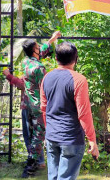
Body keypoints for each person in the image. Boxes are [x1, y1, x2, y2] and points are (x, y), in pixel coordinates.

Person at [3, 31, 61, 178]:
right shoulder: (39, 68)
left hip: (27, 104)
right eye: (37, 46)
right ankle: (30, 166)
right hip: (38, 106)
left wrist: (53, 39)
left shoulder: (26, 62)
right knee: (38, 136)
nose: (39, 47)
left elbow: (41, 51)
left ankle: (34, 162)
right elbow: (45, 88)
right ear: (34, 50)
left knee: (31, 134)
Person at [40, 41, 99, 180]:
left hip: (51, 137)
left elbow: (44, 109)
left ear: (56, 58)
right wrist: (92, 140)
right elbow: (84, 113)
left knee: (53, 177)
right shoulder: (79, 80)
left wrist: (48, 131)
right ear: (76, 59)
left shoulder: (46, 77)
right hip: (70, 138)